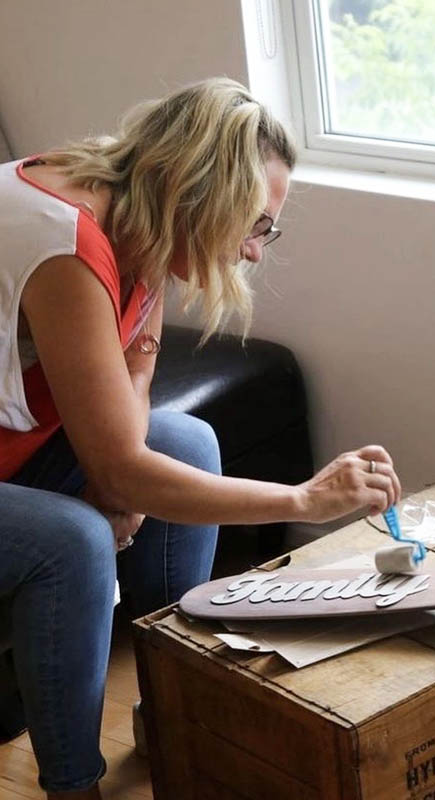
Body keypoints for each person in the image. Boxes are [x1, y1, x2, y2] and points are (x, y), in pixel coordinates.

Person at [0, 77, 401, 800]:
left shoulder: (139, 209)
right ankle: (70, 786)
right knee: (74, 541)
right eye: (255, 224)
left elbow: (137, 362)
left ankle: (173, 714)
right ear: (200, 192)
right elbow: (122, 465)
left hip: (13, 451)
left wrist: (119, 465)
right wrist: (304, 499)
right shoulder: (65, 242)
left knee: (187, 442)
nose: (253, 252)